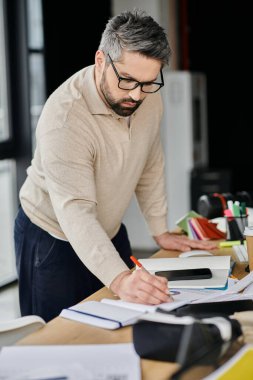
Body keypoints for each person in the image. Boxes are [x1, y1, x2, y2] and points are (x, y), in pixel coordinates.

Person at [14, 9, 217, 322]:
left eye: (147, 82)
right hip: (52, 238)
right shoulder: (65, 118)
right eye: (126, 80)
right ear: (100, 61)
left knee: (126, 323)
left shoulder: (147, 95)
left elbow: (150, 161)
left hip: (107, 230)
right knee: (61, 343)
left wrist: (159, 229)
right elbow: (75, 212)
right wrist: (120, 279)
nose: (136, 95)